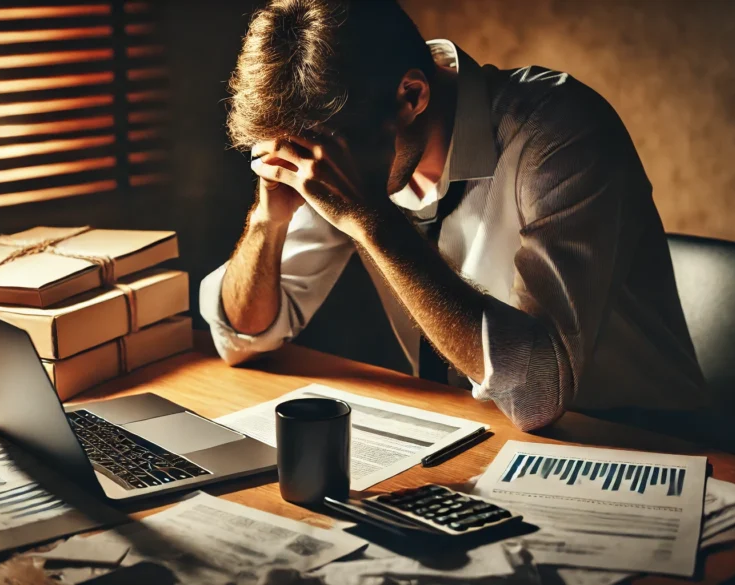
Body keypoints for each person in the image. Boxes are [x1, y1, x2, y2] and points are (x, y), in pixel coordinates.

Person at [199, 0, 707, 431]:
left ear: (412, 96)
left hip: (641, 438)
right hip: (479, 429)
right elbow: (244, 338)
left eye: (331, 153)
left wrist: (373, 220)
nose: (321, 172)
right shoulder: (350, 139)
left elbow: (539, 392)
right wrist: (269, 218)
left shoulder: (560, 133)